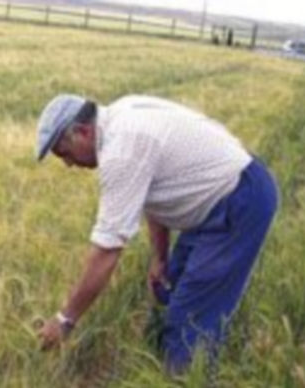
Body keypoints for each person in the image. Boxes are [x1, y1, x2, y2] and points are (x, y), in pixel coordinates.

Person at [33, 94, 278, 372]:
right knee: (168, 288)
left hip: (238, 201)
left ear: (84, 131)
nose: (67, 164)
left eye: (64, 153)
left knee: (190, 320)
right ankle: (175, 363)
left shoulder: (122, 151)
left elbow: (106, 252)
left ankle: (186, 376)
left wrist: (66, 319)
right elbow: (154, 193)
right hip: (218, 196)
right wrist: (159, 257)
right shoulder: (119, 115)